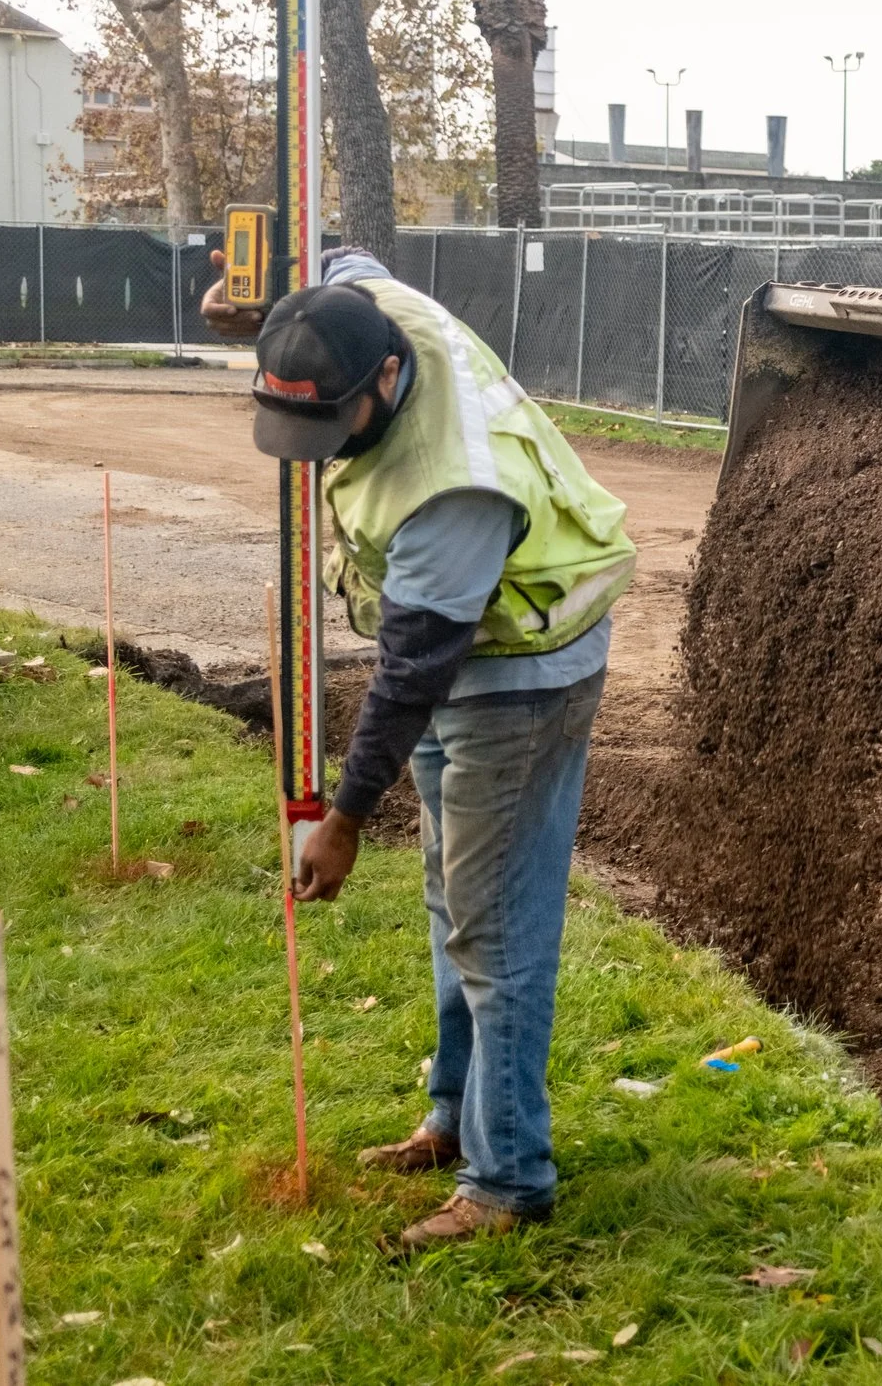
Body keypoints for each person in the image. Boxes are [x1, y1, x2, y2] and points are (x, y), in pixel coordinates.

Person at [205, 249, 635, 1251]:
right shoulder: (366, 302)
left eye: (332, 424)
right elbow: (334, 259)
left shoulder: (452, 487)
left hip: (522, 662)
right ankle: (454, 1116)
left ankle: (508, 1177)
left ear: (387, 375)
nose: (317, 452)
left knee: (495, 926)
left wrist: (345, 819)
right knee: (455, 897)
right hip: (464, 643)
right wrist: (252, 297)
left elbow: (408, 676)